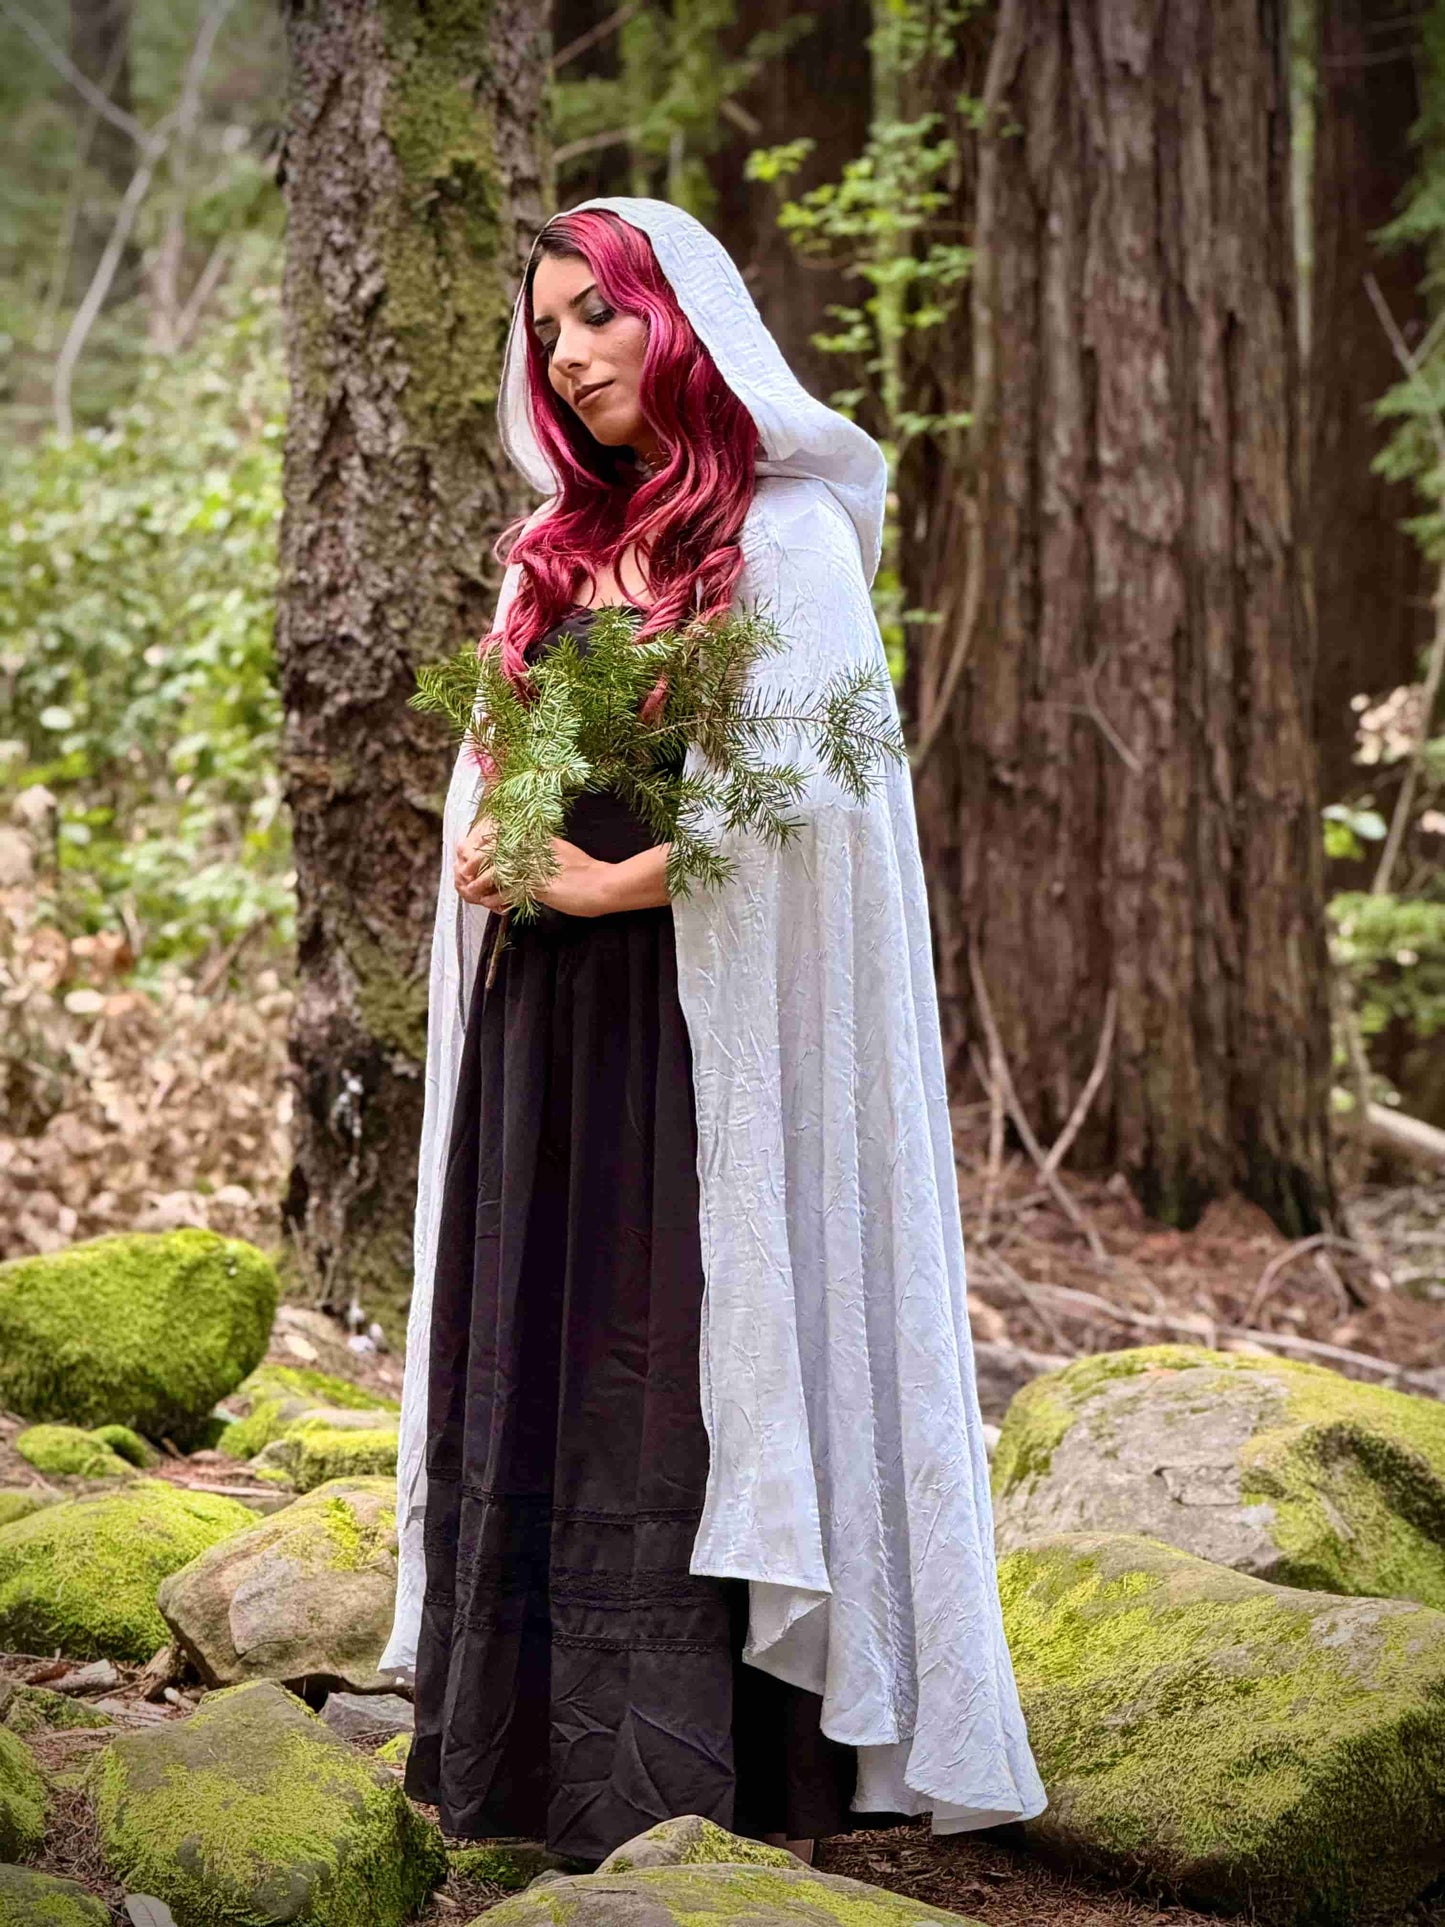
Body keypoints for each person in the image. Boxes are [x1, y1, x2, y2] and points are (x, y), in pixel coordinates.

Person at [381, 196, 1046, 1867]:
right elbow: (501, 767)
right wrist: (488, 840)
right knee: (539, 1334)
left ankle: (697, 1781)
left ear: (680, 318)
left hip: (696, 1040)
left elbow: (808, 795)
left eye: (595, 314)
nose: (571, 353)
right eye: (546, 333)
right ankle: (519, 1762)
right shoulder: (551, 551)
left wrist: (610, 888)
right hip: (548, 1027)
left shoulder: (788, 535)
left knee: (672, 1355)